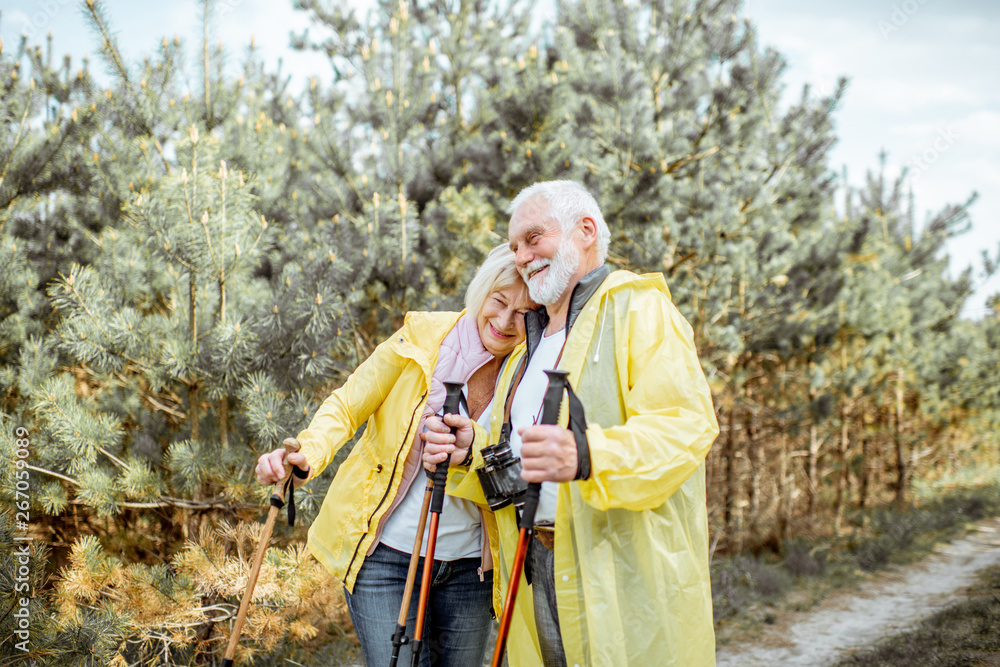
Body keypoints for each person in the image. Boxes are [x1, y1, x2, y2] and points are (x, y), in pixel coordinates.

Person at [422, 181, 720, 666]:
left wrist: (589, 455)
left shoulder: (638, 309)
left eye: (533, 238)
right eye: (515, 246)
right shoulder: (527, 349)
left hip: (617, 568)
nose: (521, 255)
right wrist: (467, 446)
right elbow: (512, 455)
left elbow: (685, 426)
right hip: (533, 564)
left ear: (584, 230)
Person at [255, 244, 535, 667]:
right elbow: (349, 405)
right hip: (387, 558)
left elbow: (521, 464)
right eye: (499, 302)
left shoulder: (530, 368)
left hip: (471, 572)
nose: (505, 320)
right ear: (481, 292)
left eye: (523, 311)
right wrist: (305, 451)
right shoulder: (422, 338)